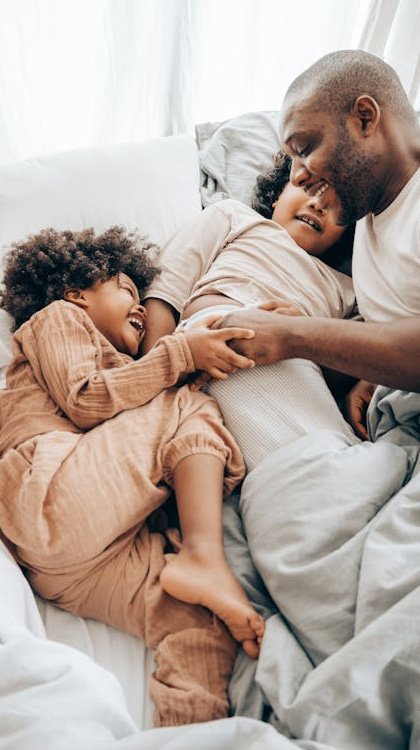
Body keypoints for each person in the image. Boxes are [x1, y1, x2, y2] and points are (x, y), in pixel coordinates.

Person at [0, 225, 267, 727]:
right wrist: (183, 355)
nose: (140, 306)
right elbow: (86, 399)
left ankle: (193, 733)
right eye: (124, 287)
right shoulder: (55, 319)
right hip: (47, 489)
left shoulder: (130, 371)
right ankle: (202, 555)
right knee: (187, 405)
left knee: (196, 622)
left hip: (75, 564)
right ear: (76, 293)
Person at [219, 50, 420, 425]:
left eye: (305, 149)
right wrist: (376, 374)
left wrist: (294, 335)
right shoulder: (369, 210)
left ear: (365, 118)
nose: (296, 177)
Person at [142, 151, 358, 470]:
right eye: (309, 186)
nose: (319, 204)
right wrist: (156, 373)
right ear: (277, 195)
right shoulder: (235, 218)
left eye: (339, 204)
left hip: (296, 366)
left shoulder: (347, 288)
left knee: (331, 456)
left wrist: (310, 338)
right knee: (310, 468)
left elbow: (351, 363)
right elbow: (165, 290)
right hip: (211, 341)